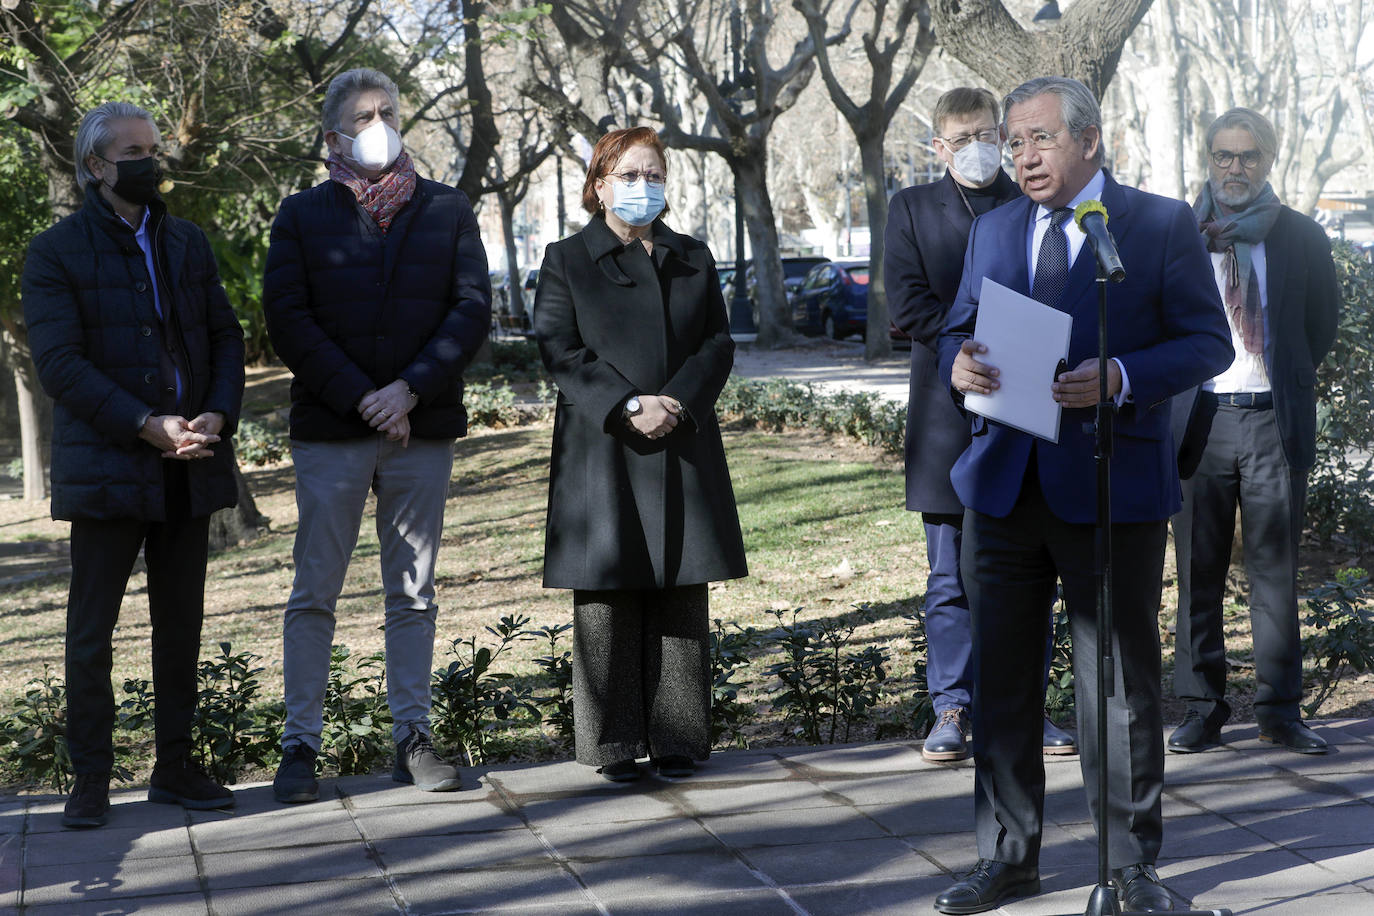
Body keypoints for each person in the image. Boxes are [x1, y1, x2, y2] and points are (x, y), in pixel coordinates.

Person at [935, 77, 1233, 914]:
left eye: (1039, 139)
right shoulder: (993, 229)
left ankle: (1131, 868)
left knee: (1120, 689)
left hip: (1111, 486)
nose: (1022, 156)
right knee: (1002, 683)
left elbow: (1207, 341)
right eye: (1013, 141)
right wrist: (957, 361)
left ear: (1090, 141)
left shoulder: (1157, 223)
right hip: (1002, 485)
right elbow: (957, 326)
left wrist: (1125, 376)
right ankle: (1006, 857)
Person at [263, 68, 491, 803]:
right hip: (333, 431)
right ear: (332, 134)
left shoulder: (447, 209)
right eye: (363, 115)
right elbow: (289, 319)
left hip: (419, 429)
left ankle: (412, 737)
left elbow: (469, 310)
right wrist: (364, 396)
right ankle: (301, 745)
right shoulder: (300, 216)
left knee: (413, 592)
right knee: (314, 591)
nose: (378, 125)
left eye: (388, 112)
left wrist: (409, 389)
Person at [23, 101, 245, 827]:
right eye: (135, 152)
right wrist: (146, 425)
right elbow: (59, 364)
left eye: (155, 149)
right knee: (92, 633)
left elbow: (225, 336)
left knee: (179, 624)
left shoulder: (186, 242)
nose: (153, 162)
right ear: (95, 167)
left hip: (191, 461)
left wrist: (215, 411)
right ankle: (90, 777)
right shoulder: (56, 252)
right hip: (110, 468)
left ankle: (175, 767)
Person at [533, 126, 748, 782]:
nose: (642, 187)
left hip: (680, 440)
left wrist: (677, 400)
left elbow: (718, 342)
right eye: (628, 175)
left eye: (653, 175)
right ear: (600, 185)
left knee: (682, 587)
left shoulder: (692, 255)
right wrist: (630, 405)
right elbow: (558, 347)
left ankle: (678, 738)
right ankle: (614, 745)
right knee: (608, 595)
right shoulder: (566, 258)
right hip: (605, 448)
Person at [885, 87, 1075, 763]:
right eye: (962, 138)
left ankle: (1028, 706)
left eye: (988, 134)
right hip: (946, 410)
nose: (980, 148)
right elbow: (906, 300)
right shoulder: (910, 208)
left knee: (1030, 568)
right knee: (949, 575)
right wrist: (967, 344)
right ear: (938, 147)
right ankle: (952, 706)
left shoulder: (1032, 203)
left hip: (1023, 406)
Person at [1169, 109, 1339, 756]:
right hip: (1200, 421)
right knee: (1197, 570)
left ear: (1269, 160)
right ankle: (1201, 709)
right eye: (1223, 156)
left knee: (1275, 573)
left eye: (1248, 156)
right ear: (1207, 158)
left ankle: (1279, 711)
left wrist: (1282, 379)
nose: (1234, 168)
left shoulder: (1302, 236)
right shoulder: (1179, 234)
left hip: (1273, 419)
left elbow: (1317, 329)